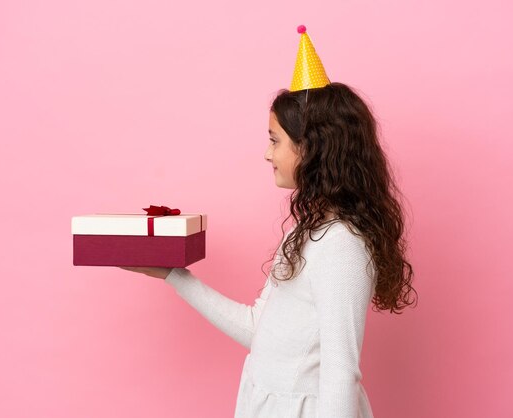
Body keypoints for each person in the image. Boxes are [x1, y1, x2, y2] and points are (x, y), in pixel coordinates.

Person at [120, 26, 416, 418]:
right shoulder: (305, 232)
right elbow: (259, 329)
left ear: (311, 147)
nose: (266, 153)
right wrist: (173, 275)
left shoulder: (343, 244)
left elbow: (341, 373)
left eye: (275, 140)